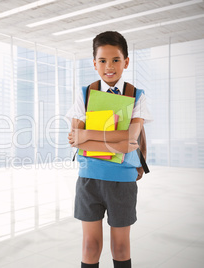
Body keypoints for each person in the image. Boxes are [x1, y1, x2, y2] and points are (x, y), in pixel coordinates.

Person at [67, 31, 152, 268]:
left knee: (121, 247)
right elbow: (75, 141)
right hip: (89, 179)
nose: (109, 66)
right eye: (102, 60)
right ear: (94, 63)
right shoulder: (84, 93)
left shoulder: (136, 96)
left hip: (122, 181)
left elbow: (130, 140)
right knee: (90, 246)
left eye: (115, 60)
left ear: (126, 61)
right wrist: (113, 141)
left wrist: (88, 135)